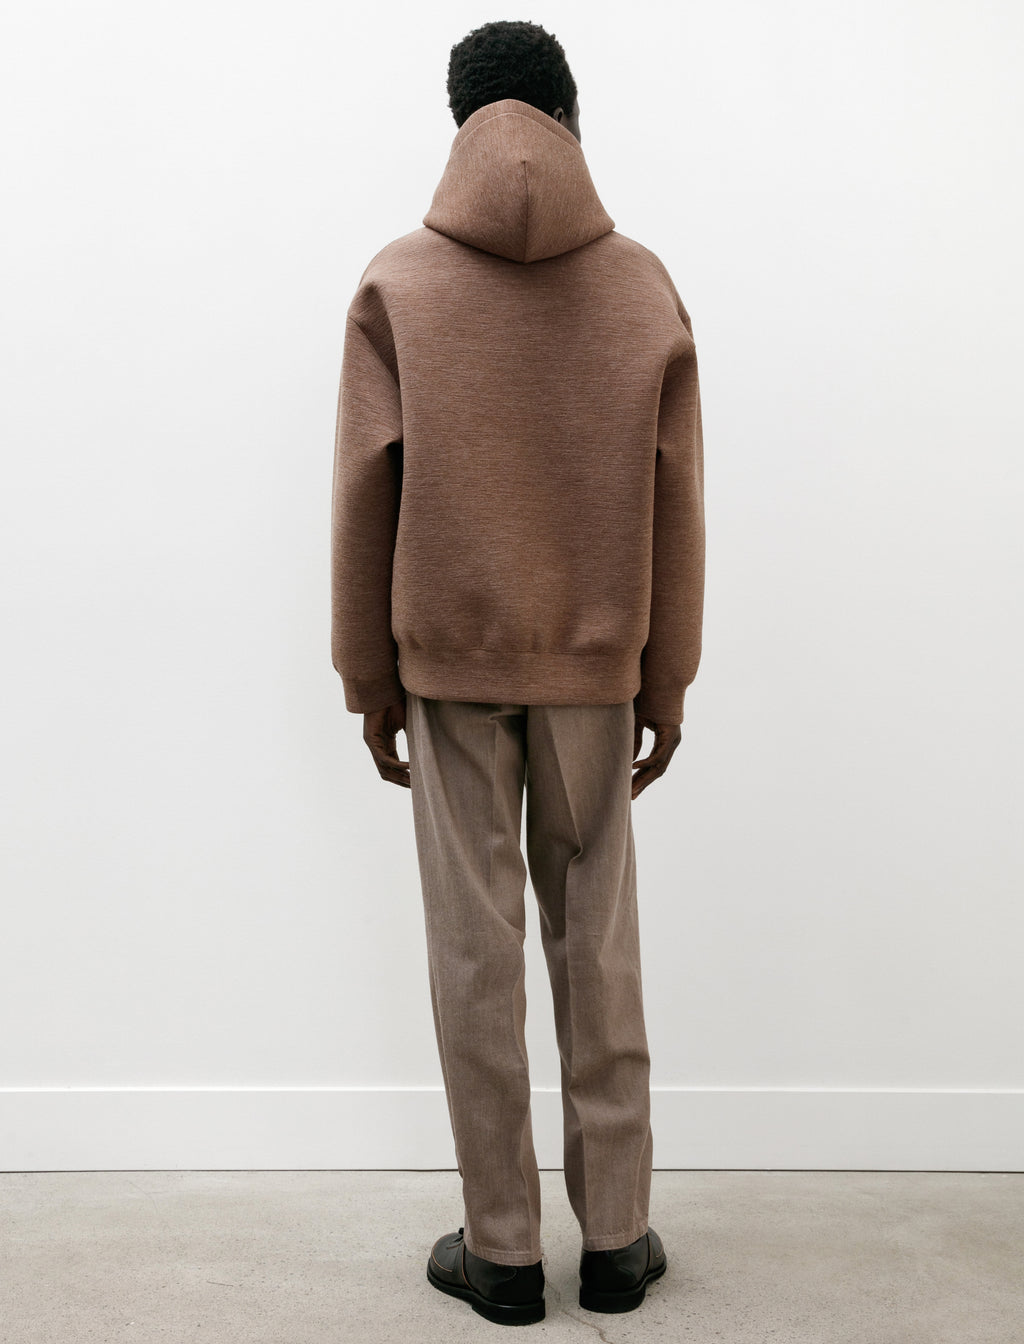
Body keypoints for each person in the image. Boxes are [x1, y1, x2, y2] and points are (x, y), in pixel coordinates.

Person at [330, 18, 705, 1327]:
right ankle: (617, 1241)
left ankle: (499, 1252)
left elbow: (362, 494)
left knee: (473, 948)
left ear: (459, 125)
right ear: (570, 114)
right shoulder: (643, 286)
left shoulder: (398, 285)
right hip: (598, 668)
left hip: (447, 659)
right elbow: (677, 497)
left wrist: (367, 676)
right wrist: (667, 680)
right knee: (596, 942)